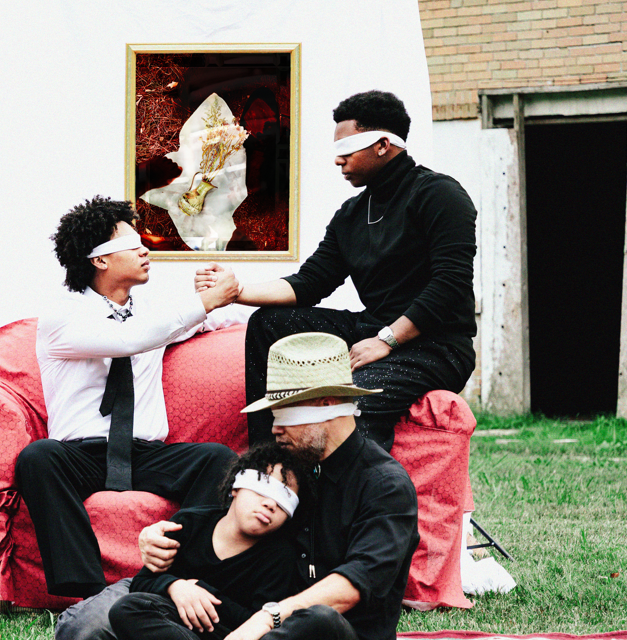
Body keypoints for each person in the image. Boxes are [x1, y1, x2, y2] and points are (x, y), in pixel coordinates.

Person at [78, 332, 419, 640]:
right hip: (257, 629)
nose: (274, 429)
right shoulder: (300, 474)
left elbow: (352, 587)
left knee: (319, 622)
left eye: (286, 414)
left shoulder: (385, 486)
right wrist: (158, 536)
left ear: (326, 404)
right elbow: (228, 522)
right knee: (134, 608)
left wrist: (268, 616)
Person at [196, 90, 477, 449]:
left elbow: (449, 285)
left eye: (348, 149)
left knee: (352, 402)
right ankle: (267, 460)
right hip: (374, 326)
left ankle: (366, 497)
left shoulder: (439, 194)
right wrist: (237, 292)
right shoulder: (352, 214)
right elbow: (311, 282)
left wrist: (386, 341)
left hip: (437, 344)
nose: (338, 160)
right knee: (270, 323)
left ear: (382, 144)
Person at [14, 196, 242, 600]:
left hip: (145, 453)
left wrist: (225, 291)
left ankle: (180, 574)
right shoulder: (63, 316)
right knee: (37, 457)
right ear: (100, 261)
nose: (144, 250)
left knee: (218, 460)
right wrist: (198, 304)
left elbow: (216, 318)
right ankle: (86, 593)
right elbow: (128, 339)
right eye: (131, 244)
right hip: (79, 456)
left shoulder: (154, 311)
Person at [74, 444, 314, 640]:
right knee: (127, 610)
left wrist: (204, 594)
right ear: (235, 486)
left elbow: (260, 625)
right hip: (174, 636)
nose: (270, 503)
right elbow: (143, 582)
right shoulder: (189, 524)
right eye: (263, 487)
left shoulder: (279, 557)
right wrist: (176, 587)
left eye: (284, 501)